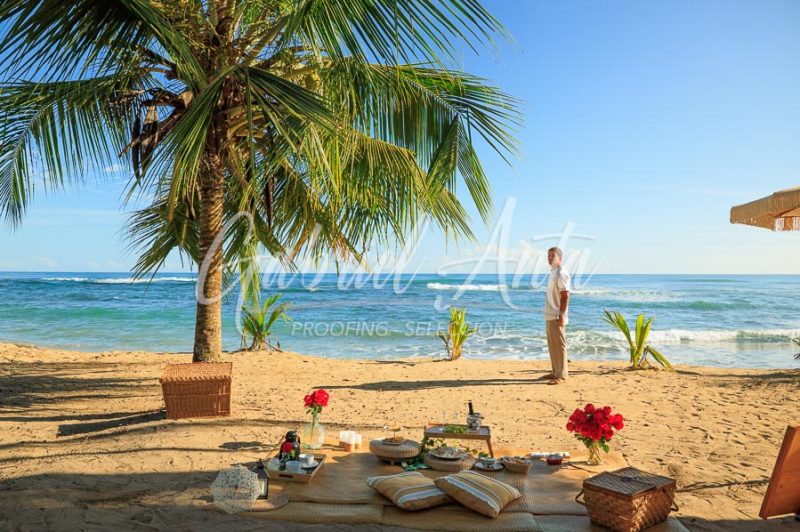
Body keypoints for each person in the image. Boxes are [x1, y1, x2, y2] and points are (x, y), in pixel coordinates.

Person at [544, 247, 570, 384]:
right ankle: (555, 371)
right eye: (548, 256)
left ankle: (561, 375)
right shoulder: (552, 272)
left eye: (552, 256)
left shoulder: (561, 273)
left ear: (560, 257)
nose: (549, 258)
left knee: (559, 345)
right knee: (552, 344)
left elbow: (565, 295)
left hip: (556, 315)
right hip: (550, 314)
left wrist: (561, 315)